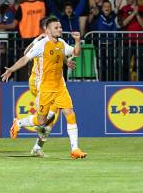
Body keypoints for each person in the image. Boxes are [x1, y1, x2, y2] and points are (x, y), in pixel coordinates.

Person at [7, 17, 87, 159]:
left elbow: (75, 53)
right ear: (47, 30)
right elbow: (26, 57)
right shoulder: (41, 44)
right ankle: (19, 123)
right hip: (44, 87)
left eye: (60, 27)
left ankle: (75, 149)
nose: (60, 29)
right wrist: (11, 70)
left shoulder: (61, 43)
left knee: (69, 113)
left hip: (60, 86)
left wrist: (76, 42)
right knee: (44, 120)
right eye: (56, 27)